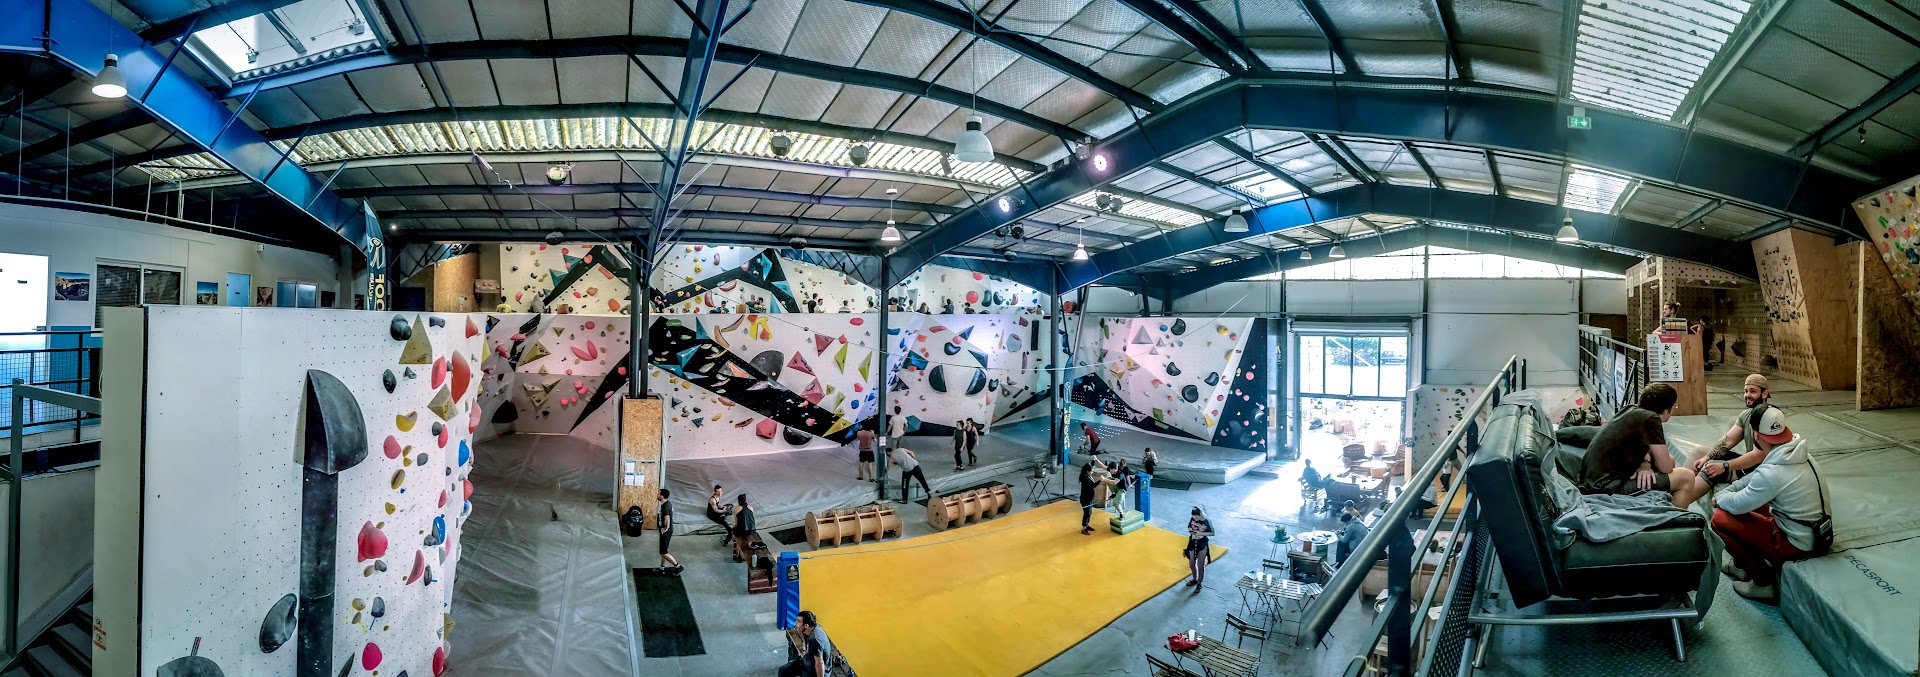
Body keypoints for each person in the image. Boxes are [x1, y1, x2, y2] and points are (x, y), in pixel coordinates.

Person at [1710, 406, 1830, 599]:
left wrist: (1720, 497)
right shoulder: (1794, 452)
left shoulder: (1773, 472)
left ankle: (1762, 582)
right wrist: (1730, 490)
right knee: (1750, 501)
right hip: (1815, 534)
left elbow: (1738, 503)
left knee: (1720, 518)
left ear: (1756, 435)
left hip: (1796, 544)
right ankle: (1740, 565)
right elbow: (1754, 479)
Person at [1577, 383, 1708, 508]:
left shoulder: (1632, 410)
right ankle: (1673, 520)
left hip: (1593, 481)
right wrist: (1647, 464)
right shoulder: (1651, 419)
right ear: (1667, 408)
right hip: (1605, 487)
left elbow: (1641, 451)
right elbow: (1665, 467)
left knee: (1672, 460)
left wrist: (1644, 464)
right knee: (1686, 477)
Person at [1689, 373, 1774, 485]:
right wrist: (1706, 457)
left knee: (1709, 471)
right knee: (1699, 452)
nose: (1747, 395)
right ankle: (1678, 485)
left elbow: (1760, 455)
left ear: (1764, 394)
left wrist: (1724, 466)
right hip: (1749, 460)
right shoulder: (1746, 415)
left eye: (1753, 391)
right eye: (1746, 391)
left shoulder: (1770, 416)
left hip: (1761, 468)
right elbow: (1727, 441)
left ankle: (1681, 498)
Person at [779, 611, 829, 677]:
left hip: (814, 670)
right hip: (807, 661)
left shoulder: (815, 641)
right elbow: (802, 634)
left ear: (806, 626)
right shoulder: (813, 628)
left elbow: (819, 663)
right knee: (783, 671)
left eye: (798, 621)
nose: (795, 622)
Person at [1078, 456, 1117, 535]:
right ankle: (1084, 528)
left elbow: (1090, 466)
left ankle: (1087, 525)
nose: (1092, 472)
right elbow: (1093, 486)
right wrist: (1100, 480)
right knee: (1086, 513)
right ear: (1087, 471)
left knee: (1089, 512)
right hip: (1085, 499)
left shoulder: (1087, 474)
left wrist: (1094, 460)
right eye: (1091, 471)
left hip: (1089, 498)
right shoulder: (1085, 479)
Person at [1184, 506, 1214, 588]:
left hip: (1202, 543)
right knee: (1191, 563)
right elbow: (1189, 527)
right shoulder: (1192, 518)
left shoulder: (1206, 521)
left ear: (1200, 514)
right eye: (1194, 518)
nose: (1195, 519)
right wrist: (1191, 530)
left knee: (1200, 565)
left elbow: (1212, 533)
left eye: (1197, 518)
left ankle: (1199, 583)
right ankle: (1195, 579)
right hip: (1193, 542)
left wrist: (1201, 533)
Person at [656, 489, 682, 574]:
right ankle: (662, 567)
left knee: (663, 552)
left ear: (662, 496)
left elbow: (667, 518)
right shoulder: (667, 503)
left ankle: (678, 566)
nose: (657, 495)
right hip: (666, 531)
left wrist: (665, 528)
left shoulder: (665, 506)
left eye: (658, 494)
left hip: (666, 532)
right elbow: (672, 510)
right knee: (663, 551)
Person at [731, 494, 757, 563]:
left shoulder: (737, 509)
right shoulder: (751, 507)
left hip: (742, 530)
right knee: (744, 536)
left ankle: (737, 555)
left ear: (738, 500)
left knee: (738, 539)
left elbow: (736, 523)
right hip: (752, 529)